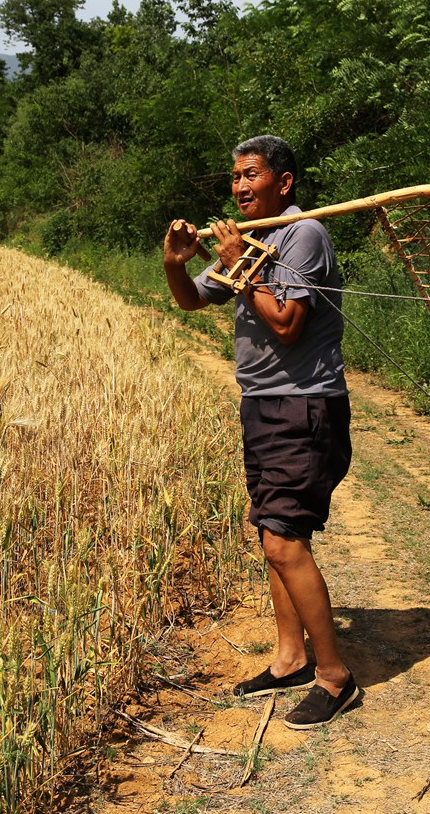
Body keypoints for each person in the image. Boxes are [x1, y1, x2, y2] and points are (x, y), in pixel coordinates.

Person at [162, 134, 359, 730]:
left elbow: (288, 324)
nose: (239, 187)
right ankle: (290, 656)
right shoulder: (254, 240)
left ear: (284, 182)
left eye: (251, 175)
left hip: (305, 407)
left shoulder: (303, 234)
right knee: (272, 531)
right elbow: (194, 300)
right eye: (235, 177)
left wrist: (238, 259)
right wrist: (178, 261)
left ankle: (334, 677)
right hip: (262, 403)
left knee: (282, 539)